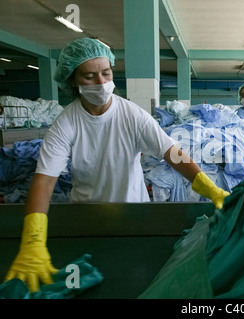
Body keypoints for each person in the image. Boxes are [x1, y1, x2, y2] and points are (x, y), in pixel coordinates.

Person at [4, 37, 229, 292]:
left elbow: (171, 152)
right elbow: (44, 182)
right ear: (73, 81)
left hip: (136, 215)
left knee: (135, 283)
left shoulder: (131, 115)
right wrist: (33, 239)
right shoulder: (66, 124)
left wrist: (207, 186)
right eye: (89, 76)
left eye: (106, 73)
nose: (100, 83)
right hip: (86, 217)